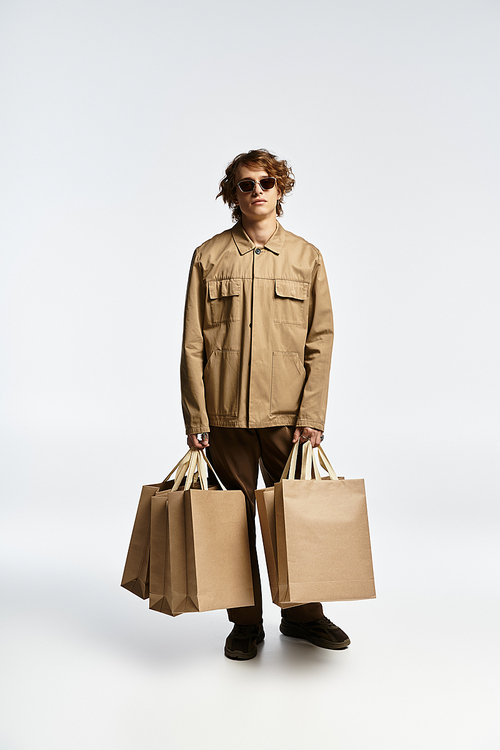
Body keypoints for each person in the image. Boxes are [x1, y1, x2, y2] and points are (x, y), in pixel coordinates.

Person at [180, 149, 350, 660]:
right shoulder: (208, 256)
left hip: (288, 419)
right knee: (231, 523)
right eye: (245, 184)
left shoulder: (306, 256)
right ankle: (245, 623)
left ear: (280, 190)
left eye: (265, 184)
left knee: (293, 520)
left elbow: (321, 340)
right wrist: (196, 417)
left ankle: (303, 618)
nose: (256, 192)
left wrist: (312, 416)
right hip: (225, 417)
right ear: (231, 193)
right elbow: (193, 344)